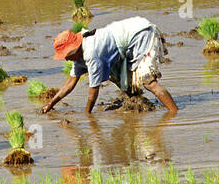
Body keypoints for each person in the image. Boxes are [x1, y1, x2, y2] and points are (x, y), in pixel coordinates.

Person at [43, 16, 178, 115]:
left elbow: (93, 92)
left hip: (141, 34)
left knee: (148, 82)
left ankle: (174, 114)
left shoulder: (91, 53)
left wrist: (87, 115)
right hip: (129, 35)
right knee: (114, 75)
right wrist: (51, 103)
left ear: (74, 49)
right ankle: (136, 101)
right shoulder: (79, 57)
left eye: (66, 55)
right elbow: (70, 83)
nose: (65, 59)